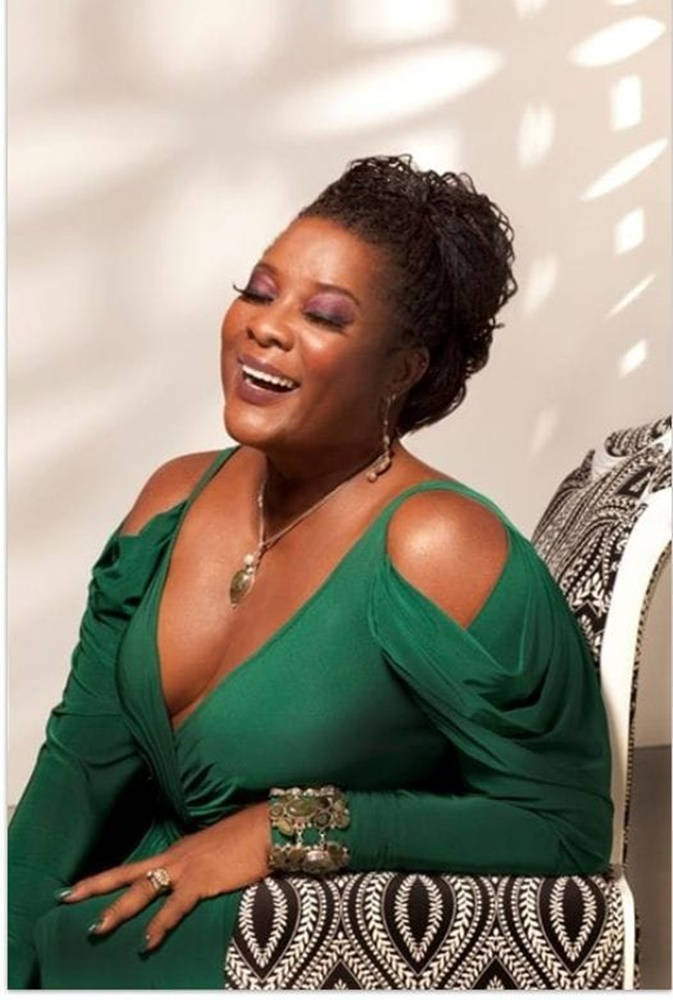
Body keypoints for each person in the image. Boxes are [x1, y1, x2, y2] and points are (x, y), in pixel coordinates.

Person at [8, 153, 614, 989]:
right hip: (97, 931)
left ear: (402, 369)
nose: (265, 327)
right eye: (258, 292)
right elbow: (78, 769)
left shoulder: (437, 547)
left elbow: (562, 829)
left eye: (325, 316)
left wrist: (286, 828)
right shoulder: (172, 501)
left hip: (258, 956)